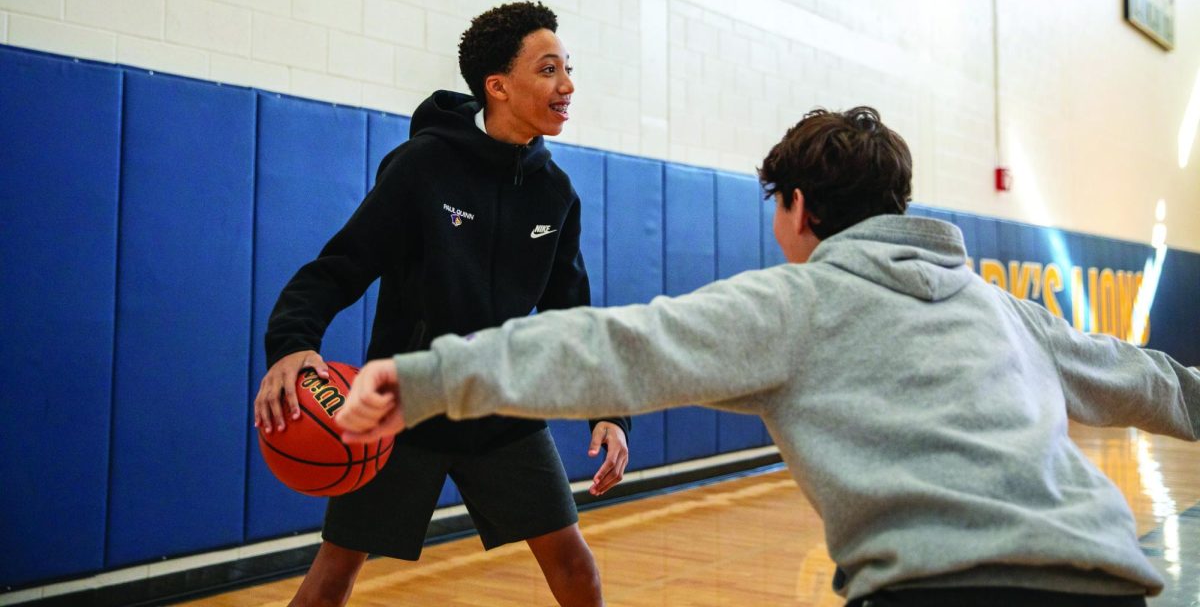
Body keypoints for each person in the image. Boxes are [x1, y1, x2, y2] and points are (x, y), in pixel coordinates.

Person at [338, 106, 1200, 607]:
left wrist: (423, 379)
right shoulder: (1009, 311)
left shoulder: (795, 304)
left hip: (941, 589)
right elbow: (1159, 384)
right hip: (1107, 581)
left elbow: (613, 347)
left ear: (795, 208)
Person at [254, 1, 630, 607]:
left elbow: (573, 317)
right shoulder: (422, 167)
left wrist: (608, 411)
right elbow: (340, 266)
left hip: (500, 409)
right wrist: (293, 344)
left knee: (575, 567)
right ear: (497, 86)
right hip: (404, 409)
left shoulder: (556, 192)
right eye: (549, 69)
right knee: (333, 577)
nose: (568, 85)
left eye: (568, 68)